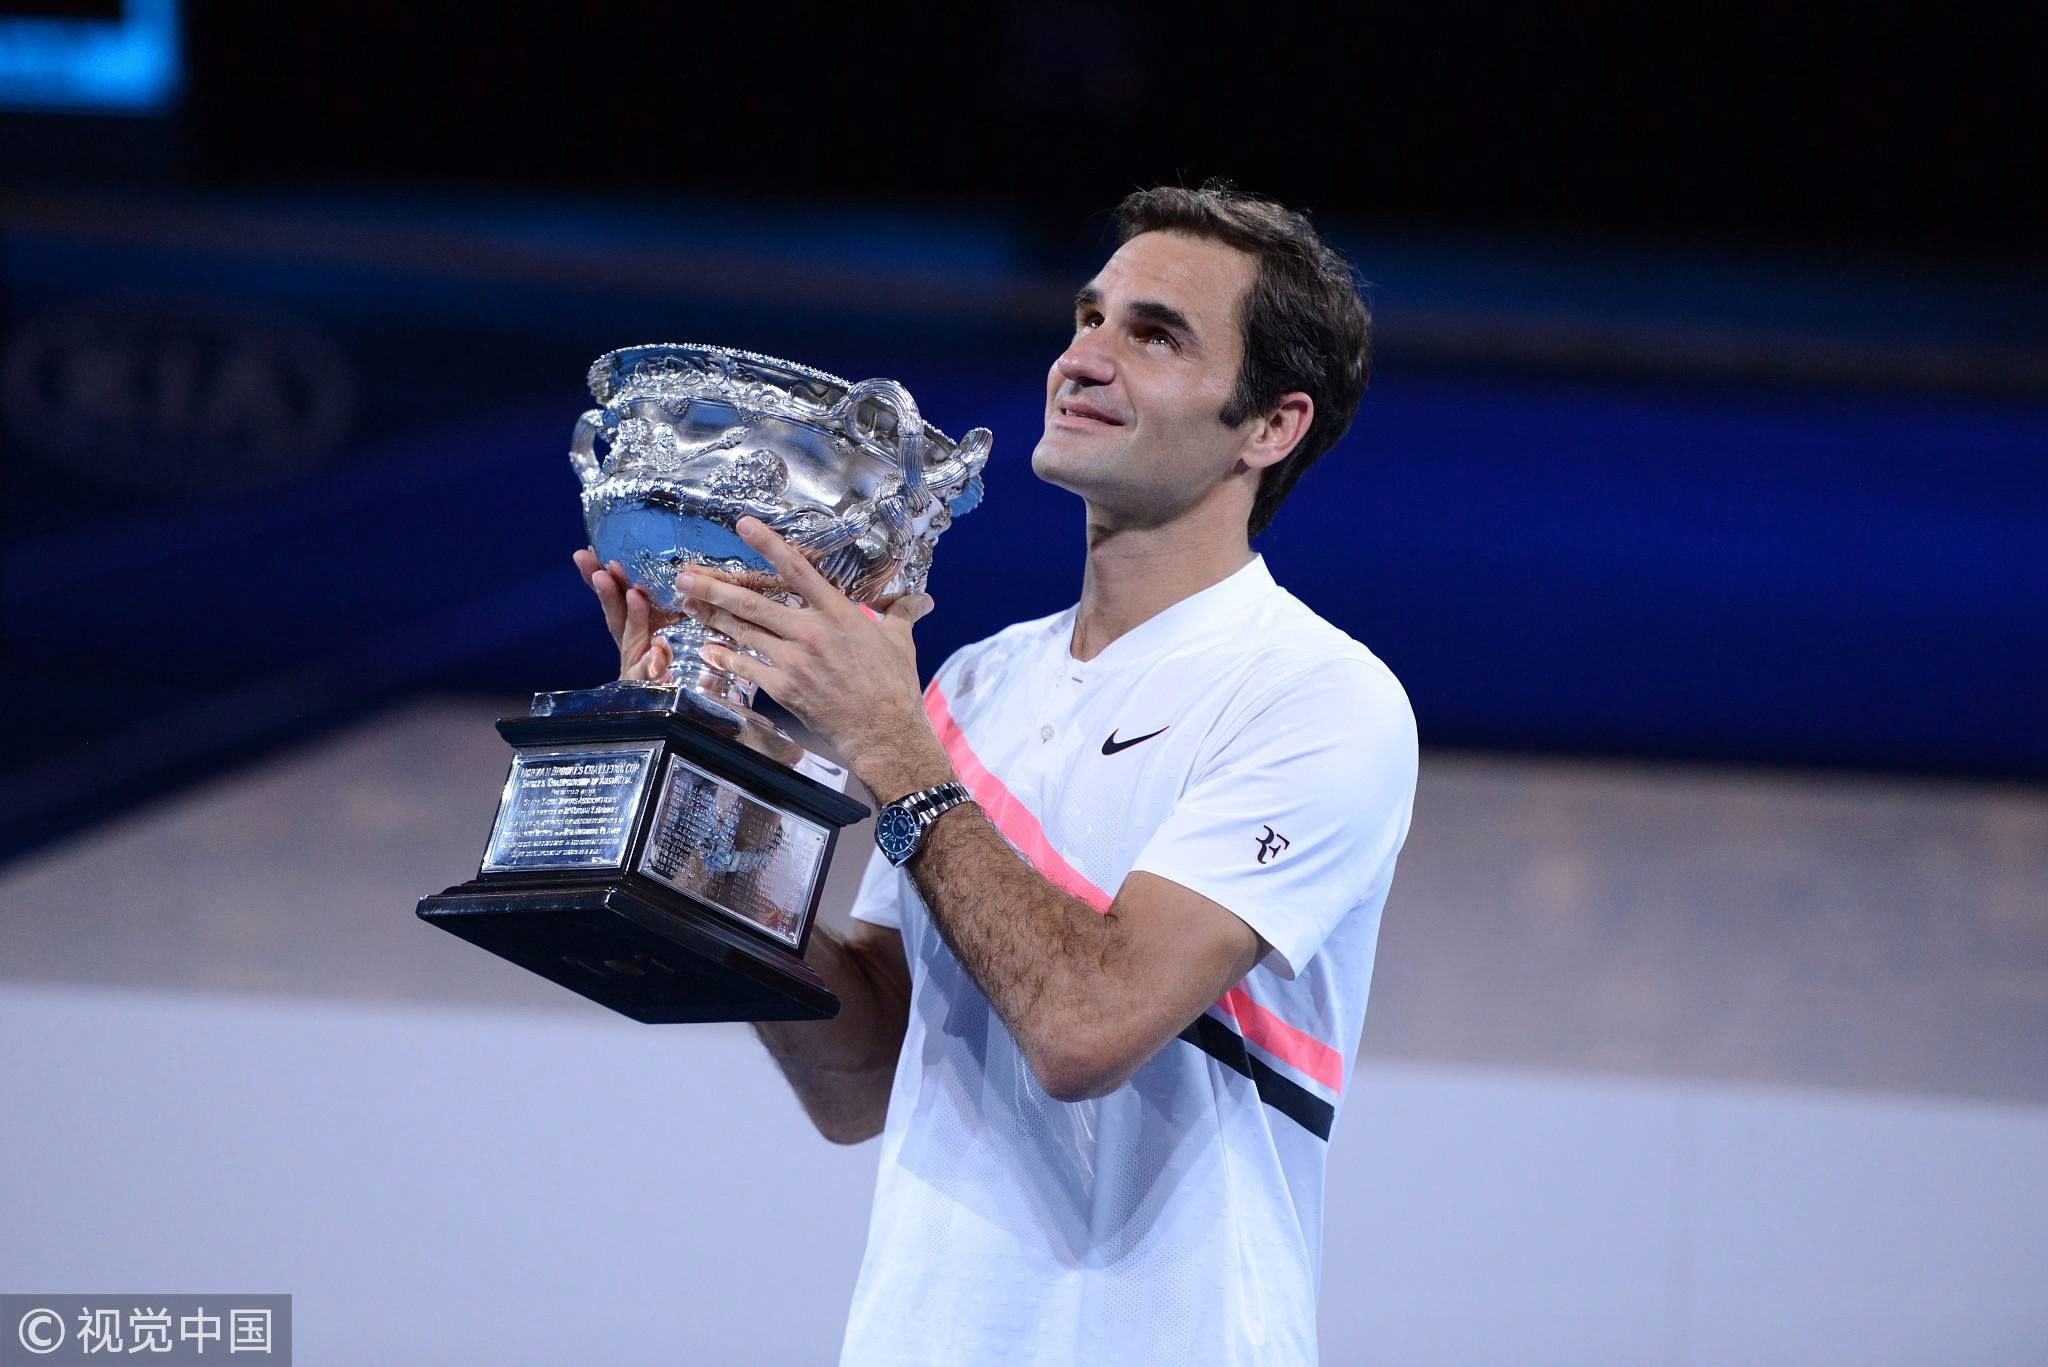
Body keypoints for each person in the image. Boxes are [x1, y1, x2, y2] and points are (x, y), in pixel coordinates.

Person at [575, 184, 1418, 1366]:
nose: (1084, 357)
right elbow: (859, 1077)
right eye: (1088, 315)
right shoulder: (974, 682)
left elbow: (1084, 1028)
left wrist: (892, 748)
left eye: (1154, 334)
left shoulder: (1316, 696)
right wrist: (713, 776)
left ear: (1268, 427)